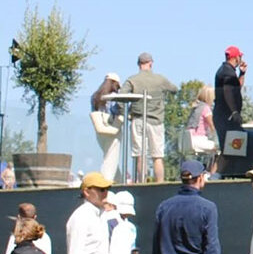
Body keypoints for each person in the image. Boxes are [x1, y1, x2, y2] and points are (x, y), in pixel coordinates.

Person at [122, 53, 179, 183]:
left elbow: (121, 95)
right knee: (157, 155)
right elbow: (174, 89)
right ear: (151, 63)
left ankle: (142, 182)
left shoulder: (132, 80)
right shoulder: (160, 79)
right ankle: (160, 183)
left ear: (138, 64)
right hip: (156, 120)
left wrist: (123, 112)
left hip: (138, 119)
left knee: (140, 155)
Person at [90, 71, 126, 183]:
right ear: (114, 83)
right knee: (111, 158)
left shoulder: (96, 97)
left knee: (109, 156)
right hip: (112, 128)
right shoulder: (115, 98)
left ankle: (119, 181)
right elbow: (119, 111)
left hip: (100, 131)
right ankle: (105, 182)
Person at [214, 46, 246, 152]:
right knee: (231, 151)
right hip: (226, 118)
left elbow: (236, 88)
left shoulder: (226, 70)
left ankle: (217, 169)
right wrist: (235, 112)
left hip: (223, 117)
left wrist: (242, 74)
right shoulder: (228, 72)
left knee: (230, 151)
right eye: (240, 56)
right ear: (236, 57)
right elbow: (228, 92)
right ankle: (217, 169)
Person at [182, 86, 217, 176]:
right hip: (198, 139)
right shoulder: (206, 108)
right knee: (219, 150)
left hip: (189, 140)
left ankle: (205, 171)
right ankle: (212, 174)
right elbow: (212, 125)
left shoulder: (196, 107)